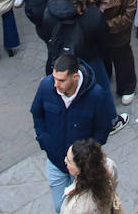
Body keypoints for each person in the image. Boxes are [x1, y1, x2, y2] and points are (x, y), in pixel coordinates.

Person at [32, 54, 120, 213]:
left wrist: (88, 155)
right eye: (54, 78)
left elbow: (103, 128)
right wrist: (44, 140)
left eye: (61, 80)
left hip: (83, 168)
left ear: (75, 77)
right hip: (55, 161)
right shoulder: (46, 86)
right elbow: (37, 114)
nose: (55, 84)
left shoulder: (96, 95)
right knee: (61, 208)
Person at [89, 0, 138, 105]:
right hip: (100, 27)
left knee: (122, 60)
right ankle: (107, 76)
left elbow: (128, 16)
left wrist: (106, 25)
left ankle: (127, 87)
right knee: (104, 56)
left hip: (117, 32)